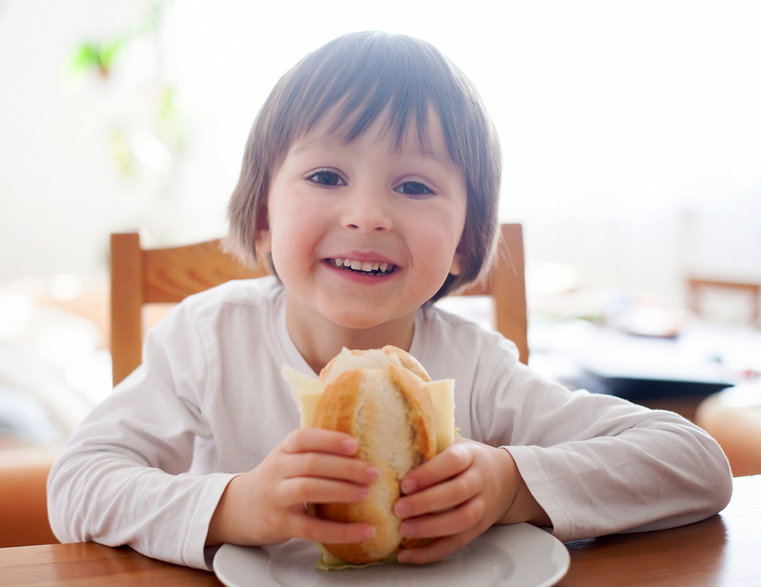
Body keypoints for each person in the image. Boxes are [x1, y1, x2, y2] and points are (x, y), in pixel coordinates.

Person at [46, 31, 732, 570]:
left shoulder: (476, 367)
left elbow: (694, 464)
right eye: (325, 175)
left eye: (413, 186)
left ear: (465, 244)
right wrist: (234, 504)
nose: (368, 213)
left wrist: (510, 484)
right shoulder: (208, 339)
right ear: (261, 222)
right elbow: (76, 484)